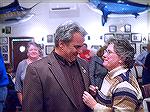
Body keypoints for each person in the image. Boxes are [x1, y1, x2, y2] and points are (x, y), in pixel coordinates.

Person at [23, 21, 91, 112]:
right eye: (77, 47)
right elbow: (31, 108)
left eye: (81, 46)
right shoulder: (37, 70)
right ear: (61, 44)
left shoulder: (84, 64)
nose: (80, 51)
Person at [82, 37, 143, 111]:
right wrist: (97, 94)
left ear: (122, 58)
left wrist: (94, 105)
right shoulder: (111, 74)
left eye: (109, 52)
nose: (104, 55)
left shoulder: (124, 86)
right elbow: (110, 100)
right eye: (105, 51)